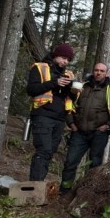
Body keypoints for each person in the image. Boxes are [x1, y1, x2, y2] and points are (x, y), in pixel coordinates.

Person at [59, 62, 110, 192]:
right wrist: (71, 123)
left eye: (102, 71)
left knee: (94, 165)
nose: (98, 73)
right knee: (70, 162)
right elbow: (69, 103)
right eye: (96, 70)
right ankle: (64, 191)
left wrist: (108, 126)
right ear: (93, 71)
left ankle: (87, 193)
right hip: (79, 132)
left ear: (107, 73)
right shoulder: (82, 86)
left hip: (99, 133)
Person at [27, 43, 77, 181]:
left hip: (59, 118)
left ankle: (39, 182)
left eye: (68, 60)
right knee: (43, 150)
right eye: (63, 58)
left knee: (50, 152)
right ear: (56, 55)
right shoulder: (40, 67)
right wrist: (55, 82)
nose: (65, 62)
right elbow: (31, 90)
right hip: (42, 115)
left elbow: (70, 99)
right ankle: (35, 184)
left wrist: (73, 91)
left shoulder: (68, 74)